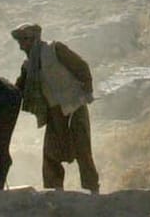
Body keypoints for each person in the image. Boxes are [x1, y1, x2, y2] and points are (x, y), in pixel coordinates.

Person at [11, 22, 99, 192]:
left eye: (23, 41)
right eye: (19, 42)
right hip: (54, 112)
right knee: (51, 152)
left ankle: (93, 189)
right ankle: (54, 192)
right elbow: (18, 89)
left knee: (82, 148)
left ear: (33, 39)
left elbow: (81, 67)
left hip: (74, 105)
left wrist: (88, 90)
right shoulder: (28, 65)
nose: (21, 46)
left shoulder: (55, 49)